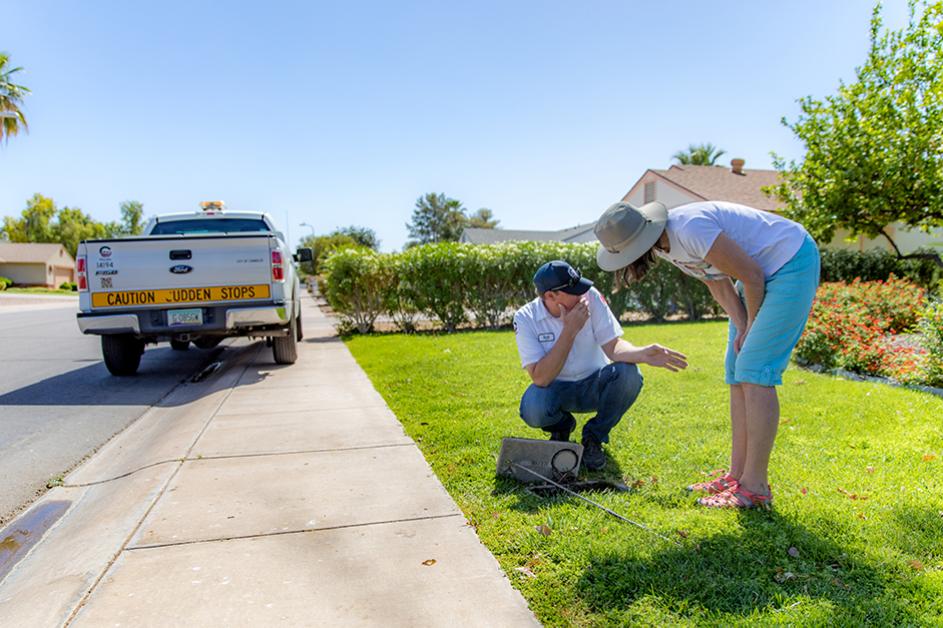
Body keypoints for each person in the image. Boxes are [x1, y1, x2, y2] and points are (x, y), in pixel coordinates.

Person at [594, 200, 820, 508]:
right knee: (736, 369)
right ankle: (737, 475)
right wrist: (742, 327)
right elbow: (717, 282)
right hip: (758, 273)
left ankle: (755, 488)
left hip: (790, 261)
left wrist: (751, 328)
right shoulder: (664, 246)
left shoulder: (690, 230)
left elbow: (752, 276)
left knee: (754, 368)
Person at [513, 260, 688, 470]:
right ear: (550, 296)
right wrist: (569, 330)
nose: (581, 295)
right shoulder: (525, 317)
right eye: (573, 291)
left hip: (594, 385)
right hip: (555, 390)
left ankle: (593, 437)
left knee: (629, 374)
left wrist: (642, 353)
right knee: (533, 406)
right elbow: (540, 377)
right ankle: (561, 427)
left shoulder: (590, 297)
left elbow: (613, 346)